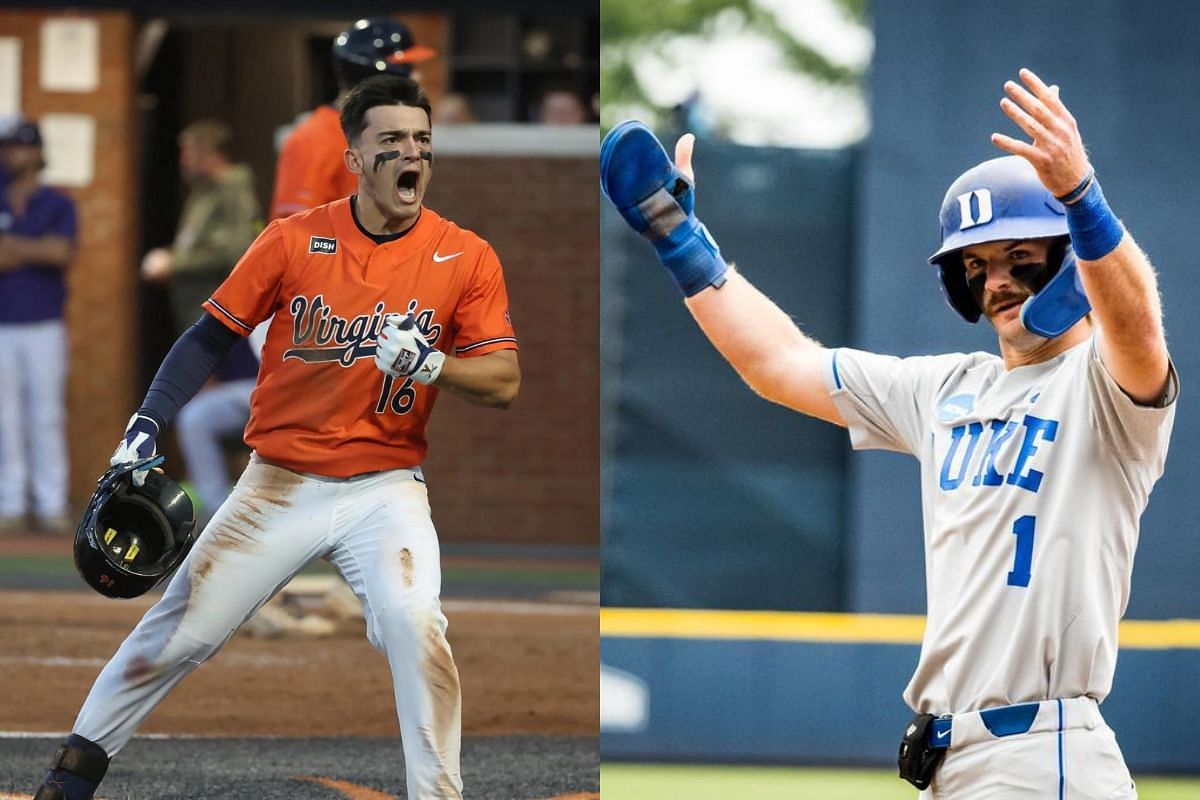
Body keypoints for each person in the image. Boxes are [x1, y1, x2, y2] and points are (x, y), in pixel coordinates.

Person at [601, 67, 1174, 799]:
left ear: (1069, 256)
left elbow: (1137, 327)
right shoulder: (945, 388)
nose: (995, 280)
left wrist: (1082, 198)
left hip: (1042, 754)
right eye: (977, 264)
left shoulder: (1104, 390)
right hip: (952, 762)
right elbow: (780, 364)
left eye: (1019, 257)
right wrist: (680, 240)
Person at [35, 74, 520, 800]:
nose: (410, 154)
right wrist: (144, 423)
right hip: (279, 481)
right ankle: (70, 778)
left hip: (385, 489)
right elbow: (207, 337)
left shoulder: (465, 255)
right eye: (390, 141)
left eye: (421, 140)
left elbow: (504, 380)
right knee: (183, 632)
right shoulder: (295, 238)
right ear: (354, 157)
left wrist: (434, 363)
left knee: (417, 625)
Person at [270, 17, 436, 221]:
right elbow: (296, 236)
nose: (417, 78)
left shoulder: (389, 135)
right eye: (408, 68)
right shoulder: (313, 139)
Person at [0, 117, 78, 535]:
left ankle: (50, 502)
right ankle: (10, 502)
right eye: (8, 148)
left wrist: (16, 248)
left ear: (37, 153)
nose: (14, 155)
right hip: (3, 324)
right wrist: (34, 249)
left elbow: (61, 252)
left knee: (46, 415)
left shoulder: (57, 202)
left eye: (21, 148)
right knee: (4, 417)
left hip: (45, 324)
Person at [141, 118, 260, 336]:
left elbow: (236, 250)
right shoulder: (201, 192)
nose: (183, 161)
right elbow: (193, 242)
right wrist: (168, 256)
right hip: (192, 307)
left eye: (188, 153)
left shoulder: (233, 191)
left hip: (219, 309)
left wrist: (175, 264)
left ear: (208, 155)